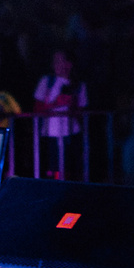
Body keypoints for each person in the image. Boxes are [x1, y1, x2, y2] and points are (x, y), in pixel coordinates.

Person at [30, 46, 87, 179]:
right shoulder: (46, 81)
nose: (56, 64)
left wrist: (72, 104)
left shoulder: (79, 85)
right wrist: (56, 103)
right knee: (53, 170)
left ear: (69, 64)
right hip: (50, 133)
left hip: (72, 133)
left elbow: (82, 113)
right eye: (54, 61)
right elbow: (37, 108)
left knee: (70, 169)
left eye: (59, 60)